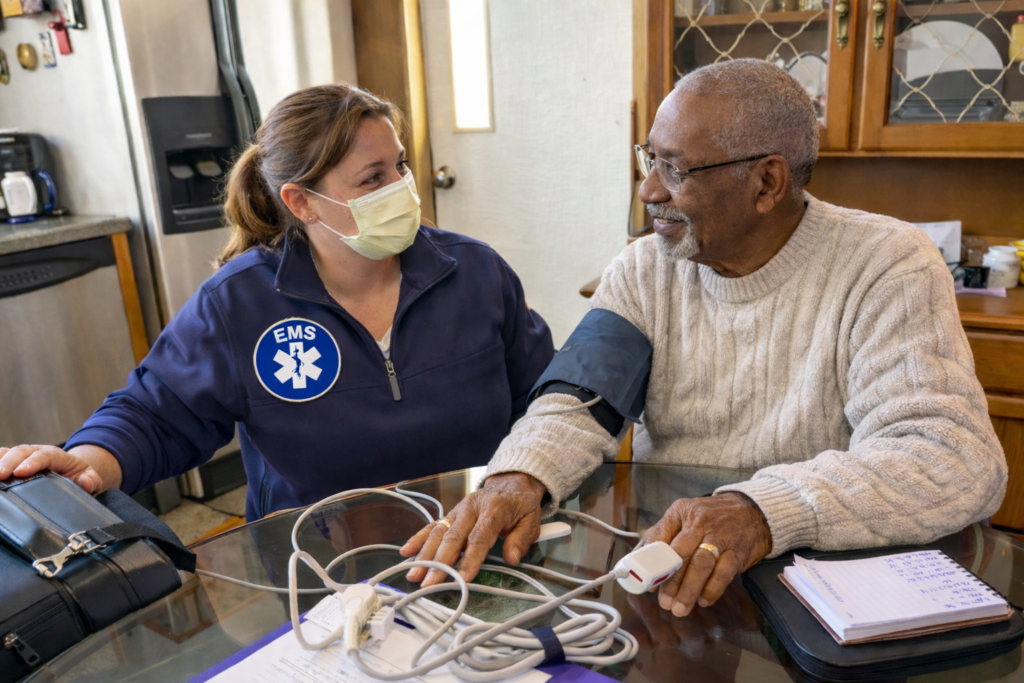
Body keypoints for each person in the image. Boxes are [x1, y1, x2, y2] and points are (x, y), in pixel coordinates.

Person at [400, 59, 1007, 621]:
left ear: (767, 182)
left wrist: (763, 510)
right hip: (680, 571)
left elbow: (950, 460)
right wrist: (518, 478)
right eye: (649, 159)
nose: (648, 191)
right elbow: (578, 404)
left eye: (676, 169)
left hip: (834, 585)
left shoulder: (887, 265)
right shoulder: (646, 268)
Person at [0, 84, 553, 520]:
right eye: (372, 178)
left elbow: (546, 399)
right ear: (302, 203)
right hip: (317, 569)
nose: (402, 189)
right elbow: (155, 413)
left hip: (473, 539)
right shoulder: (238, 303)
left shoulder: (474, 272)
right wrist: (87, 464)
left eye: (400, 166)